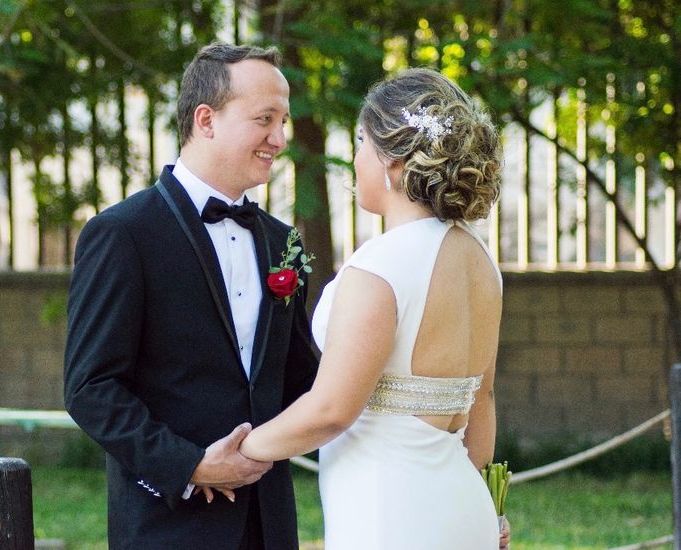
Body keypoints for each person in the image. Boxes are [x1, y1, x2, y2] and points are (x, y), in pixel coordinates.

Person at [238, 67, 509, 549]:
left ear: (396, 161)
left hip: (389, 511)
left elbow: (332, 410)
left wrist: (239, 452)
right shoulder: (480, 260)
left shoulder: (380, 266)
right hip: (464, 508)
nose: (356, 158)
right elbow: (481, 401)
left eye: (362, 142)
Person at [63, 43, 320, 550]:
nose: (279, 139)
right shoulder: (122, 233)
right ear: (206, 120)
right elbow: (90, 388)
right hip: (168, 525)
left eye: (284, 121)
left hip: (269, 526)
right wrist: (190, 465)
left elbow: (300, 379)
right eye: (265, 119)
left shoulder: (282, 241)